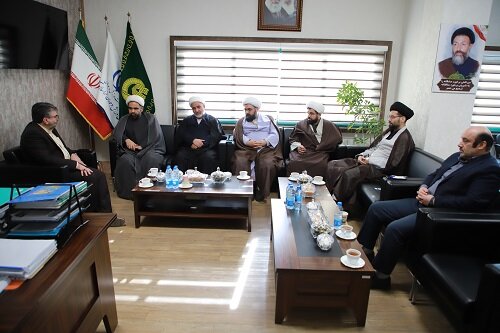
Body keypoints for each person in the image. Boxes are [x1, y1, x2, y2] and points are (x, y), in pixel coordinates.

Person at [358, 126, 500, 290]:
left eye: (465, 141)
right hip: (421, 202)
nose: (459, 144)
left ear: (482, 145)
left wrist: (434, 200)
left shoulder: (490, 169)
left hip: (438, 214)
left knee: (395, 228)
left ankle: (381, 276)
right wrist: (424, 186)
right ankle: (366, 252)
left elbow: (473, 203)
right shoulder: (457, 157)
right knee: (377, 208)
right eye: (461, 139)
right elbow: (434, 174)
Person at [20, 102, 125, 226]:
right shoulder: (33, 134)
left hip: (65, 166)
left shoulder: (48, 128)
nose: (57, 119)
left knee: (98, 175)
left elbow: (61, 147)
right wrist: (75, 165)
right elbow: (47, 159)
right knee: (96, 176)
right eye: (55, 116)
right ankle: (101, 217)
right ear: (45, 120)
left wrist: (72, 154)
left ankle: (103, 216)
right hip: (55, 173)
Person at [325, 102, 415, 205]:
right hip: (369, 162)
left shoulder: (404, 138)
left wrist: (369, 161)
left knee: (349, 174)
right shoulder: (389, 131)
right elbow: (374, 148)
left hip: (381, 170)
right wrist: (361, 155)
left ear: (402, 119)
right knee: (333, 164)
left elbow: (393, 164)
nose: (389, 120)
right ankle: (327, 193)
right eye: (389, 116)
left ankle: (334, 202)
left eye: (392, 117)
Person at [113, 95, 166, 199]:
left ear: (142, 108)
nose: (133, 111)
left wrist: (143, 148)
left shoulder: (151, 118)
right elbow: (117, 133)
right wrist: (126, 140)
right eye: (130, 108)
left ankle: (149, 194)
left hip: (150, 149)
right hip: (130, 151)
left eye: (136, 108)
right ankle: (131, 194)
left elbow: (156, 137)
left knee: (151, 159)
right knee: (125, 161)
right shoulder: (124, 119)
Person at [232, 97, 283, 202]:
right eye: (245, 109)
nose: (247, 112)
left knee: (267, 164)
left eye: (249, 109)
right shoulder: (241, 121)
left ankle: (261, 191)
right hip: (246, 149)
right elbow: (238, 134)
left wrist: (265, 141)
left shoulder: (268, 119)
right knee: (240, 162)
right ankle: (244, 192)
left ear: (256, 109)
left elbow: (274, 134)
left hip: (265, 149)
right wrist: (248, 142)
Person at [287, 101, 342, 177]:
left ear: (319, 114)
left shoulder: (329, 125)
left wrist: (324, 145)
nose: (308, 116)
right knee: (294, 162)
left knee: (322, 164)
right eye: (308, 113)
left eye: (311, 114)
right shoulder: (301, 124)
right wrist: (298, 146)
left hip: (319, 152)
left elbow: (337, 138)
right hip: (305, 152)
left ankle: (316, 186)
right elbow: (293, 138)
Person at [175, 96, 225, 174]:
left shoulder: (213, 120)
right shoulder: (186, 120)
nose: (196, 110)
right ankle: (182, 182)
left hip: (206, 149)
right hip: (189, 148)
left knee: (208, 157)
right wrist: (192, 141)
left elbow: (215, 136)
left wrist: (201, 144)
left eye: (198, 107)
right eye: (194, 108)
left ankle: (206, 184)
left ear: (204, 106)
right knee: (180, 156)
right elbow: (181, 134)